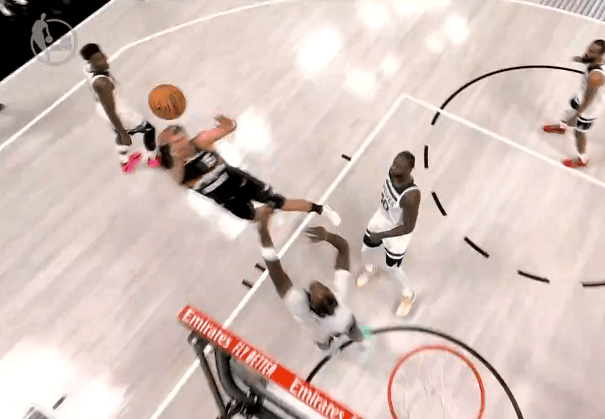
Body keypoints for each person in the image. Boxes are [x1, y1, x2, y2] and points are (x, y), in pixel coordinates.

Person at [157, 119, 341, 224]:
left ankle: (320, 209)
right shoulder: (174, 170)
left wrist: (228, 125)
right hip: (226, 199)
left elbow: (227, 128)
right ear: (168, 148)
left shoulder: (201, 142)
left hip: (241, 182)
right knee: (253, 217)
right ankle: (268, 215)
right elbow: (177, 175)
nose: (181, 144)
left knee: (279, 201)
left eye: (182, 138)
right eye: (175, 143)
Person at [256, 206, 369, 354]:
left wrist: (263, 229)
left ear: (313, 308)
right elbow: (343, 247)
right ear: (331, 292)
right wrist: (327, 236)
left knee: (323, 344)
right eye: (323, 288)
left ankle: (331, 349)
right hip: (341, 323)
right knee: (353, 331)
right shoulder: (339, 292)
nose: (316, 285)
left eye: (316, 292)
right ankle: (361, 341)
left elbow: (272, 265)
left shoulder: (296, 302)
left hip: (323, 332)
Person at [356, 151, 421, 317]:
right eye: (394, 163)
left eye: (399, 166)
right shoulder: (392, 174)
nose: (393, 167)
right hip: (381, 218)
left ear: (409, 170)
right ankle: (370, 270)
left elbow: (408, 227)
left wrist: (382, 235)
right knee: (366, 250)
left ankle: (408, 295)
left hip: (398, 233)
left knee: (392, 268)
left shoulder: (411, 195)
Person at [80, 43, 160, 173]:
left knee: (123, 133)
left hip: (101, 108)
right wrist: (121, 130)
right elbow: (111, 111)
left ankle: (125, 162)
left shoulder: (87, 68)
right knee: (149, 130)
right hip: (117, 111)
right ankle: (153, 159)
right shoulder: (102, 83)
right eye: (99, 59)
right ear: (92, 61)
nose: (105, 60)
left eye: (103, 56)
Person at [543, 39, 605, 168]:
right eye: (589, 49)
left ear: (600, 55)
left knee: (579, 133)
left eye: (592, 52)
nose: (587, 53)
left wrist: (576, 116)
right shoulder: (598, 62)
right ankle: (561, 127)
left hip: (591, 108)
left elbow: (589, 100)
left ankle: (582, 159)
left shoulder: (595, 77)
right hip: (584, 97)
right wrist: (582, 59)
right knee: (568, 112)